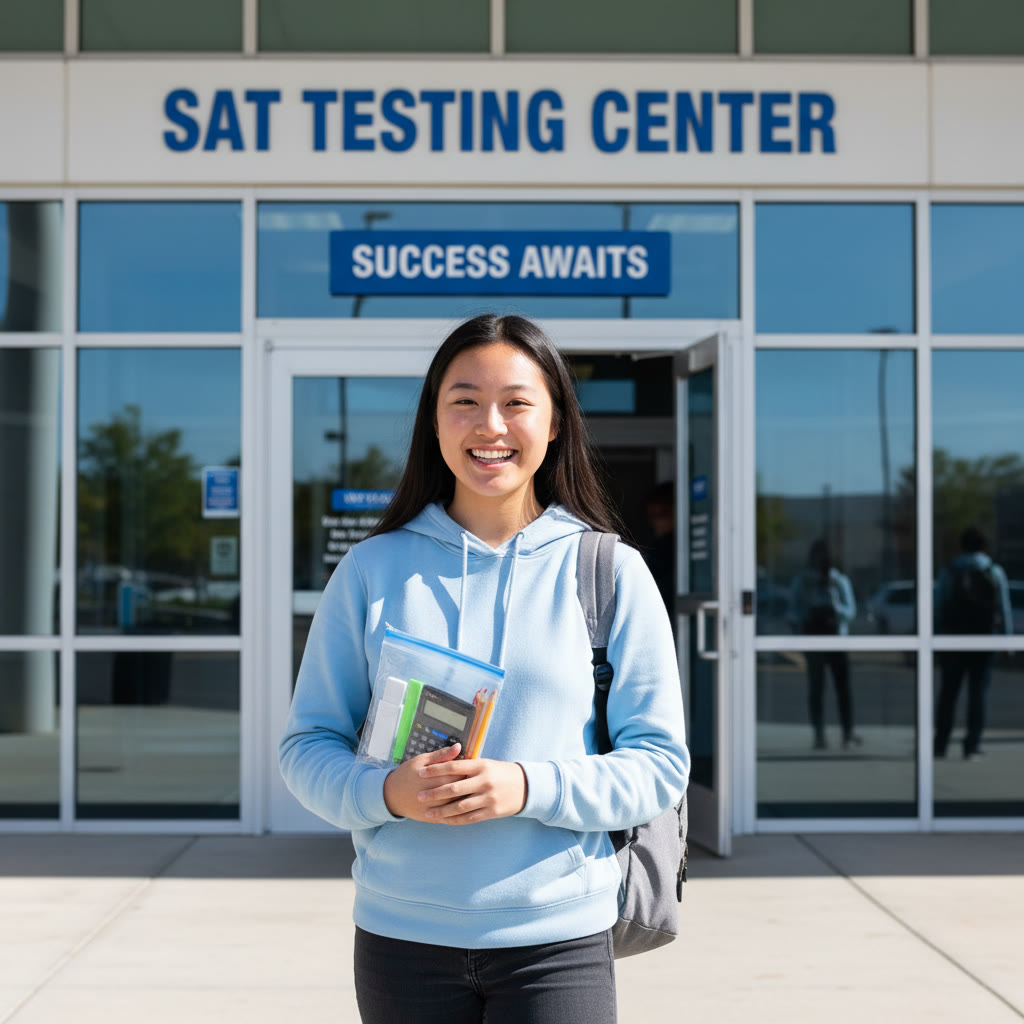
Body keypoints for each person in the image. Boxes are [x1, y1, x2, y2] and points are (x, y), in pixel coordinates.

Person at [279, 314, 689, 1024]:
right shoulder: (372, 571)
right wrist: (389, 793)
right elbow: (306, 747)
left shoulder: (609, 572)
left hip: (557, 939)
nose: (489, 424)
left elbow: (658, 767)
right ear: (434, 423)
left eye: (517, 402)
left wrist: (526, 785)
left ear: (555, 422)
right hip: (400, 935)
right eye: (464, 400)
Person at [933, 525, 1012, 760]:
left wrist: (935, 638)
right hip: (983, 639)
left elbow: (938, 606)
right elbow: (1003, 608)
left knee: (949, 693)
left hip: (954, 639)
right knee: (978, 694)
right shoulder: (994, 571)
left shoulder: (950, 570)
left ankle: (941, 744)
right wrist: (1007, 642)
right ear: (984, 546)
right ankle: (972, 745)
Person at [788, 538, 859, 750]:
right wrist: (808, 615)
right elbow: (792, 611)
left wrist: (834, 607)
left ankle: (848, 733)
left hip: (836, 639)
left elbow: (851, 612)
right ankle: (819, 734)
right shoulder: (803, 581)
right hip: (814, 639)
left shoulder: (839, 582)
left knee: (843, 688)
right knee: (816, 689)